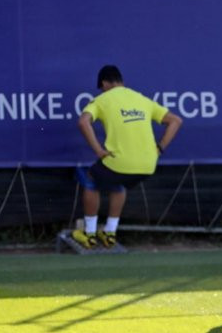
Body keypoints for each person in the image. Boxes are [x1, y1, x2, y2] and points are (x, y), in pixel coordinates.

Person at [71, 65, 182, 248]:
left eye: (102, 87)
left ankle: (89, 233)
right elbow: (176, 121)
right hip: (148, 165)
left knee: (90, 178)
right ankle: (110, 232)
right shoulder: (141, 99)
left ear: (105, 83)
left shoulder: (102, 99)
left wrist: (98, 150)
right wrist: (160, 148)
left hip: (119, 162)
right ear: (121, 81)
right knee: (118, 182)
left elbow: (83, 122)